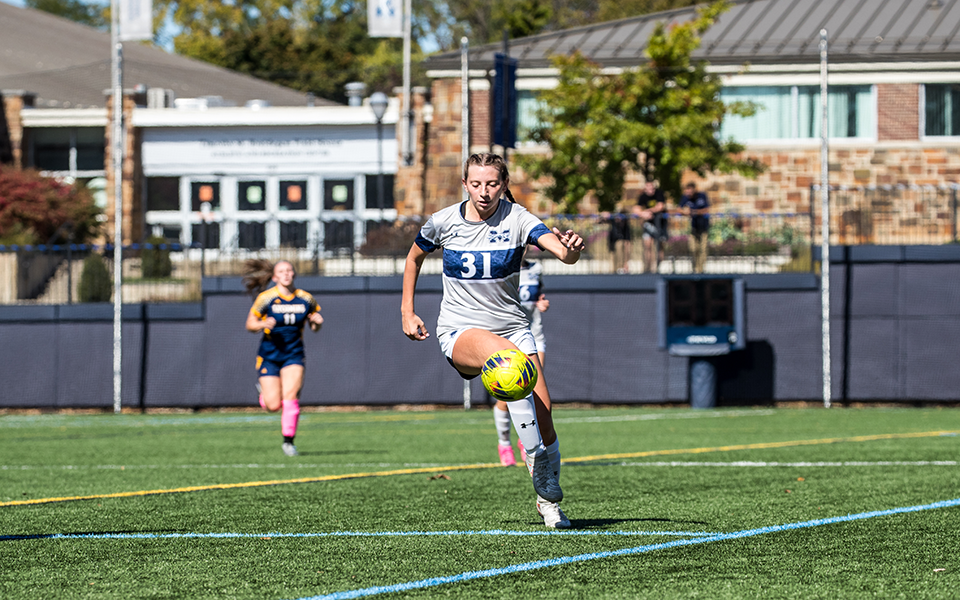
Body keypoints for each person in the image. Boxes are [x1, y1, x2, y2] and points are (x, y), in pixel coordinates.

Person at [401, 152, 585, 529]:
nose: (484, 191)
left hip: (514, 329)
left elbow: (562, 253)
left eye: (492, 183)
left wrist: (572, 250)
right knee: (508, 362)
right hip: (459, 330)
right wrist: (407, 311)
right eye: (476, 183)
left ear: (504, 184)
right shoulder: (444, 221)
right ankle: (534, 461)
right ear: (465, 184)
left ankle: (547, 503)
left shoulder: (518, 218)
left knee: (546, 419)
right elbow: (413, 258)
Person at [243, 259, 323, 457]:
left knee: (291, 398)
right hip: (269, 355)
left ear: (294, 274)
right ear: (274, 277)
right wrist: (263, 324)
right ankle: (265, 396)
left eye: (289, 270)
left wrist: (317, 323)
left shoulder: (305, 298)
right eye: (282, 271)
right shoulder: (266, 298)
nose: (286, 274)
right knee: (273, 405)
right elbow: (250, 324)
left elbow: (314, 324)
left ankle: (289, 442)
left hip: (293, 355)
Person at [494, 253, 549, 468]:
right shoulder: (501, 267)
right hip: (508, 336)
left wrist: (541, 302)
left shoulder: (536, 268)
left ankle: (527, 443)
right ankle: (504, 444)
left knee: (538, 393)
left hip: (534, 336)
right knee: (506, 395)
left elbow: (539, 295)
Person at [634, 180, 668, 274]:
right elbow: (636, 208)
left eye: (652, 188)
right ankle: (648, 268)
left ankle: (658, 268)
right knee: (647, 245)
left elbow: (660, 206)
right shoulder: (643, 196)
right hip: (649, 224)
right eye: (648, 188)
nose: (650, 190)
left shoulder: (659, 194)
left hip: (660, 223)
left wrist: (649, 211)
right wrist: (642, 213)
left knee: (659, 246)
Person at [679, 181, 710, 273]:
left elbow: (707, 209)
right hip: (693, 227)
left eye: (690, 191)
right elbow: (679, 208)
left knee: (703, 248)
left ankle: (701, 269)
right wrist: (684, 212)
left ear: (694, 189)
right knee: (693, 248)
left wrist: (694, 212)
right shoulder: (685, 197)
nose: (688, 193)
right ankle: (695, 269)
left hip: (704, 226)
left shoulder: (702, 196)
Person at [601, 206, 633, 274]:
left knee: (621, 250)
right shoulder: (613, 220)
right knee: (614, 257)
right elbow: (602, 216)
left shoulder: (625, 224)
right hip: (613, 241)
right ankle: (615, 270)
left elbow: (627, 240)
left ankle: (621, 268)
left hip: (622, 241)